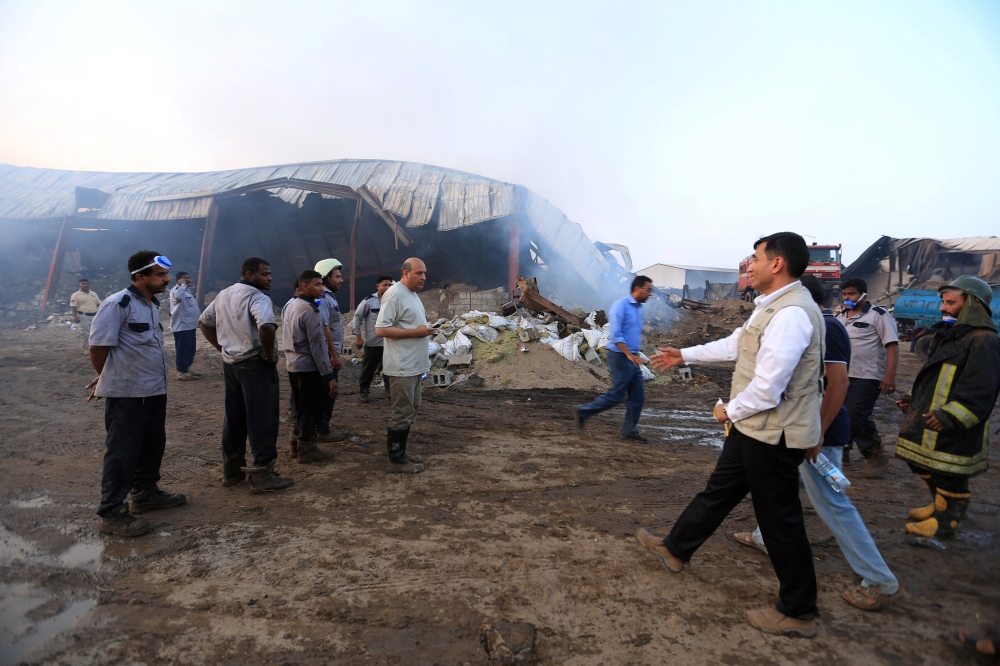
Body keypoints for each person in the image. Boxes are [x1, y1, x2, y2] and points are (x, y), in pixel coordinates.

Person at [641, 232, 824, 638]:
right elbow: (736, 345)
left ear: (777, 263)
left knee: (780, 523)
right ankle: (675, 549)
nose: (750, 264)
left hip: (772, 434)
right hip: (754, 430)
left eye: (756, 257)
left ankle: (799, 611)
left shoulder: (791, 314)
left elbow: (769, 386)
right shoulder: (770, 309)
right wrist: (684, 354)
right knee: (719, 491)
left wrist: (729, 410)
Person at [733, 275, 901, 611]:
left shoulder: (829, 327)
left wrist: (820, 432)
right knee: (786, 486)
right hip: (802, 428)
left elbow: (839, 384)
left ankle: (879, 579)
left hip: (819, 433)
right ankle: (764, 536)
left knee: (832, 503)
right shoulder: (821, 323)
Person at [85, 251, 186, 537]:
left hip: (153, 389)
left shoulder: (151, 304)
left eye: (166, 275)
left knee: (153, 443)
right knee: (123, 452)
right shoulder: (118, 303)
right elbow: (98, 348)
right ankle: (111, 513)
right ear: (140, 277)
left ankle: (145, 493)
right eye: (160, 275)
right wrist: (108, 375)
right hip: (127, 393)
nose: (166, 279)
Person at [894, 276, 999, 538]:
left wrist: (951, 417)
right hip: (930, 419)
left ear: (972, 304)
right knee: (920, 463)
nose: (942, 308)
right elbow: (931, 375)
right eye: (943, 301)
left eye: (951, 302)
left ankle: (946, 520)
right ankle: (938, 505)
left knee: (949, 473)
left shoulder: (984, 340)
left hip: (952, 425)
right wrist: (911, 397)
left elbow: (981, 390)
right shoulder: (947, 334)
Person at [199, 257, 294, 495]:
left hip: (231, 365)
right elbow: (266, 326)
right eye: (265, 274)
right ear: (249, 275)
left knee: (235, 418)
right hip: (254, 363)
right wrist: (271, 355)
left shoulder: (223, 294)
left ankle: (232, 473)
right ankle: (263, 474)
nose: (269, 278)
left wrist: (222, 349)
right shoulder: (257, 297)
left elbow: (204, 322)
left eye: (270, 274)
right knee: (262, 418)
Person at [374, 258, 437, 474]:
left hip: (415, 365)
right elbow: (381, 329)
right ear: (405, 273)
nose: (424, 277)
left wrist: (425, 330)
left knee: (411, 410)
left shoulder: (412, 294)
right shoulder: (394, 294)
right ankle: (396, 459)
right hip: (401, 367)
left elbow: (410, 324)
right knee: (402, 412)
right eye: (419, 273)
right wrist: (416, 333)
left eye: (424, 273)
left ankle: (401, 452)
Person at [574, 275, 654, 441]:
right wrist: (629, 354)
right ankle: (584, 412)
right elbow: (616, 336)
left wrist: (635, 354)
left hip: (631, 357)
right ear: (637, 288)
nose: (650, 294)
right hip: (620, 356)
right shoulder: (621, 306)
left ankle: (629, 430)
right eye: (648, 290)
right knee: (618, 395)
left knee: (637, 396)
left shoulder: (638, 308)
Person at [836, 277, 899, 477]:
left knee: (856, 413)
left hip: (868, 376)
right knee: (840, 413)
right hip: (844, 375)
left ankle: (876, 454)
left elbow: (892, 345)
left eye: (851, 293)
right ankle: (842, 453)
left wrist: (890, 375)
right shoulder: (841, 317)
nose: (847, 297)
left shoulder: (878, 315)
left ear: (863, 294)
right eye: (845, 294)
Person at [282, 270, 338, 464]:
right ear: (304, 286)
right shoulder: (309, 310)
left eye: (322, 284)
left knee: (299, 405)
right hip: (308, 367)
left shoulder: (290, 304)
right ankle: (307, 450)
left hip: (293, 365)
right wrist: (328, 375)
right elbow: (318, 346)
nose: (321, 288)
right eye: (317, 284)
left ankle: (294, 444)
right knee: (309, 409)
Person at [314, 259, 346, 440]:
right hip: (327, 354)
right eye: (338, 277)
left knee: (326, 392)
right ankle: (322, 429)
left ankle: (320, 426)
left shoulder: (328, 296)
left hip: (327, 353)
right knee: (328, 392)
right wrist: (333, 356)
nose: (341, 280)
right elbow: (324, 328)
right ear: (326, 278)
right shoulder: (323, 298)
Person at [353, 275, 394, 403]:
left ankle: (390, 393)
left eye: (390, 285)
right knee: (368, 369)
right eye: (385, 285)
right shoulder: (369, 301)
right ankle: (364, 392)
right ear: (378, 286)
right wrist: (358, 337)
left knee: (390, 370)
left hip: (390, 343)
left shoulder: (394, 301)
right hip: (373, 343)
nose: (387, 287)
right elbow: (357, 317)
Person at [168, 271, 201, 380]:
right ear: (178, 280)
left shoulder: (186, 291)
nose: (188, 279)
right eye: (184, 278)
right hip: (182, 326)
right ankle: (181, 372)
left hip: (190, 325)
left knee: (190, 348)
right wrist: (182, 285)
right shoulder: (176, 291)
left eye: (188, 277)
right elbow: (177, 297)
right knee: (183, 349)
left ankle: (187, 368)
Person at [70, 278, 102, 350]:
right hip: (83, 316)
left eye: (87, 283)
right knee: (85, 334)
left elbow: (99, 305)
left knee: (96, 333)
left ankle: (96, 348)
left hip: (95, 316)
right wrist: (75, 317)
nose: (85, 285)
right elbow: (73, 307)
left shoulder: (93, 294)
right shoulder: (75, 295)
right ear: (79, 285)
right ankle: (87, 349)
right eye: (83, 284)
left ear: (89, 285)